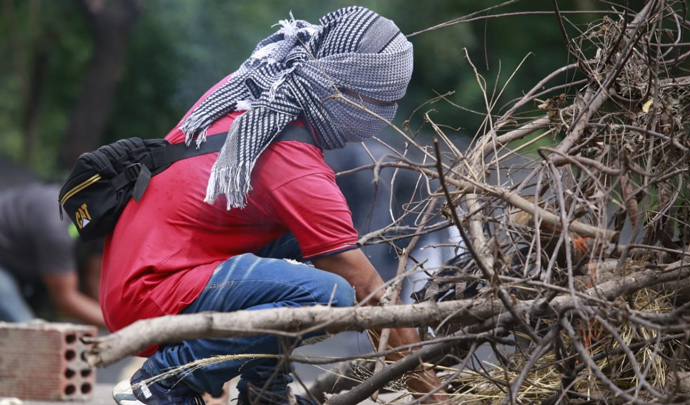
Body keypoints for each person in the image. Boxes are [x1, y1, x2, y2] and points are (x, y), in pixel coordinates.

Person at [107, 6, 448, 405]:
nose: (381, 117)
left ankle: (265, 394)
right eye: (380, 101)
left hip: (141, 272)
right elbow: (369, 293)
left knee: (314, 251)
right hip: (153, 292)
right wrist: (433, 394)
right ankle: (163, 383)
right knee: (333, 294)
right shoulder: (292, 160)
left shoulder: (254, 89)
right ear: (349, 89)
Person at [0, 183, 106, 328]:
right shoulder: (58, 229)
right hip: (5, 262)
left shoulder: (102, 224)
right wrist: (126, 328)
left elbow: (94, 278)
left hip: (25, 260)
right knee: (28, 330)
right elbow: (65, 298)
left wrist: (112, 314)